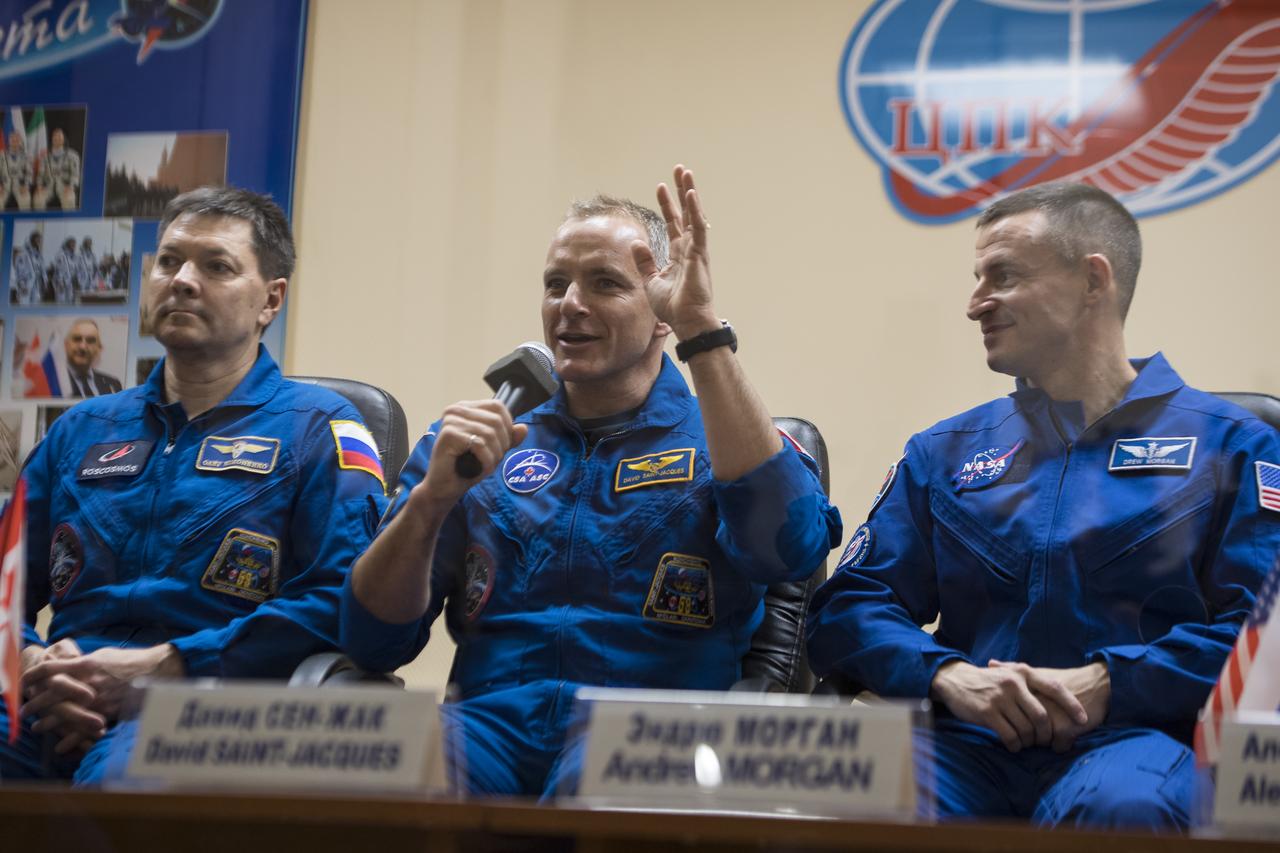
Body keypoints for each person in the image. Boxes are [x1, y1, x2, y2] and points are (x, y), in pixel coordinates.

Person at [342, 165, 842, 797]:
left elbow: (789, 551)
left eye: (604, 284)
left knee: (596, 789)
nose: (569, 305)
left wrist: (701, 327)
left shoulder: (726, 435)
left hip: (653, 734)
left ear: (660, 313)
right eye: (556, 284)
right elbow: (370, 639)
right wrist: (429, 504)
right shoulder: (477, 441)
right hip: (488, 730)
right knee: (377, 774)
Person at [806, 183, 1280, 831]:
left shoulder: (1233, 444)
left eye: (1002, 276)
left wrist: (1108, 681)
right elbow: (848, 606)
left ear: (1092, 280)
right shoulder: (945, 450)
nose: (975, 304)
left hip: (1133, 741)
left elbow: (1260, 638)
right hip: (962, 743)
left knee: (1125, 810)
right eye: (977, 278)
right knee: (845, 793)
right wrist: (946, 675)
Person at [4, 186, 388, 785]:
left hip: (205, 704)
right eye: (168, 261)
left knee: (122, 784)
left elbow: (340, 597)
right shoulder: (80, 430)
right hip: (49, 699)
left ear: (270, 300)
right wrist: (32, 663)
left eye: (216, 266)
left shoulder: (322, 427)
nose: (182, 280)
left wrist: (165, 666)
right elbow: (6, 588)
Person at [62, 318, 122, 398]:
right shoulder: (53, 383)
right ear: (66, 345)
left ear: (99, 349)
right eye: (77, 339)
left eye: (90, 341)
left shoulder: (114, 384)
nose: (83, 347)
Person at [34, 128, 81, 211]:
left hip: (65, 186)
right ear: (52, 139)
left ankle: (67, 223)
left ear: (63, 139)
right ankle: (40, 223)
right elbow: (40, 175)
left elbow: (75, 174)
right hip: (48, 186)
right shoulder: (45, 157)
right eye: (55, 136)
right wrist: (39, 186)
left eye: (59, 136)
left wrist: (70, 186)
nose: (57, 138)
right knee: (38, 200)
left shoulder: (73, 156)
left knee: (69, 200)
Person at [11, 232, 46, 305]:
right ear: (32, 239)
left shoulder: (39, 255)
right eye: (37, 239)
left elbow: (42, 269)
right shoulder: (23, 254)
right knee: (24, 305)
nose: (39, 241)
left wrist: (44, 281)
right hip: (26, 285)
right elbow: (19, 272)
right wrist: (22, 285)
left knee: (34, 307)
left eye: (40, 239)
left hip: (36, 285)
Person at [3, 133, 32, 211]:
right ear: (9, 142)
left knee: (25, 201)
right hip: (4, 186)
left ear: (20, 142)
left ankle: (25, 223)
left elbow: (29, 174)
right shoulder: (2, 156)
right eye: (12, 140)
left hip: (20, 186)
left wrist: (25, 186)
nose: (14, 141)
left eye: (17, 140)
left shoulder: (26, 157)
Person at [51, 237, 78, 304]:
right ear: (67, 244)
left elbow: (74, 269)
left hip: (70, 281)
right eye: (72, 243)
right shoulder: (61, 254)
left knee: (70, 300)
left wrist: (75, 281)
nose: (74, 245)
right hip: (61, 281)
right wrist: (60, 282)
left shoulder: (74, 256)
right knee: (61, 300)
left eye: (74, 243)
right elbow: (58, 269)